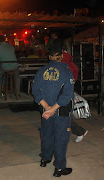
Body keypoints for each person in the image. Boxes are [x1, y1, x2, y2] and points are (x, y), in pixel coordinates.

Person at [32, 39, 74, 177]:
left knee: (46, 134)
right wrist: (53, 109)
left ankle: (45, 158)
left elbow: (35, 91)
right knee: (60, 138)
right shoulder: (67, 72)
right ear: (61, 56)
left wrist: (47, 108)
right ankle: (59, 168)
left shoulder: (40, 71)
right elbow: (67, 95)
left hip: (45, 111)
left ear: (49, 57)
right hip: (60, 111)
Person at [61, 50, 88, 143]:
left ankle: (80, 132)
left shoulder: (64, 63)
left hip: (64, 93)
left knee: (64, 117)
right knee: (64, 116)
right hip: (68, 92)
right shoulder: (70, 62)